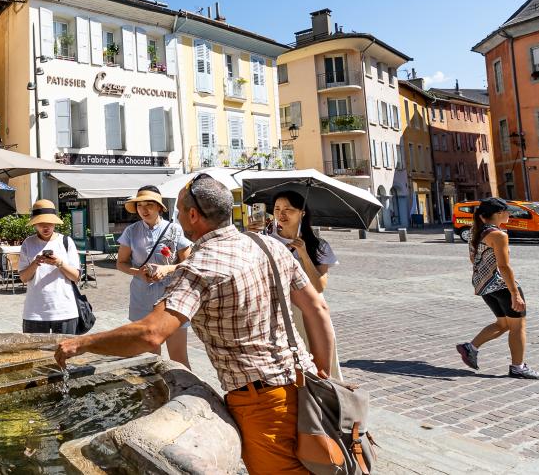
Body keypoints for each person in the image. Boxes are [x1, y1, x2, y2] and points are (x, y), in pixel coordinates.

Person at [55, 174, 335, 475]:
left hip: (261, 403)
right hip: (306, 382)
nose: (174, 216)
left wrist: (80, 343)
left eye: (177, 211)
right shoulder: (269, 246)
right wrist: (323, 373)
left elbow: (150, 334)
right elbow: (317, 307)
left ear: (192, 215)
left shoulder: (201, 266)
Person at [455, 198, 539, 379]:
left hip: (483, 284)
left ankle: (470, 348)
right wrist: (515, 293)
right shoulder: (498, 235)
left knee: (503, 324)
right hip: (501, 285)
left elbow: (473, 259)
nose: (509, 215)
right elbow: (504, 266)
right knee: (518, 326)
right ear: (497, 214)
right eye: (507, 212)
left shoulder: (476, 230)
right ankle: (518, 367)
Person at [264, 190, 343, 381]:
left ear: (302, 212)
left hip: (311, 312)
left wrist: (303, 253)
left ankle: (325, 402)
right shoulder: (266, 240)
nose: (281, 214)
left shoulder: (319, 245)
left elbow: (319, 286)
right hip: (277, 311)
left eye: (288, 209)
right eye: (277, 209)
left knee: (321, 367)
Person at [116, 186, 193, 365]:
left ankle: (185, 392)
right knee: (149, 359)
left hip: (172, 300)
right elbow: (121, 263)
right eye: (139, 205)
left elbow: (189, 264)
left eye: (149, 204)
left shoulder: (175, 230)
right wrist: (138, 273)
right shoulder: (131, 231)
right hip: (142, 298)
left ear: (159, 207)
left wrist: (167, 269)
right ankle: (155, 393)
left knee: (179, 358)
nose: (144, 209)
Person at [18, 199, 80, 334]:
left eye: (49, 223)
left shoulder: (66, 241)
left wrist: (59, 263)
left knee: (65, 353)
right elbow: (23, 278)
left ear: (54, 222)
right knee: (35, 354)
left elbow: (76, 276)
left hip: (64, 310)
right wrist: (35, 263)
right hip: (34, 311)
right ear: (35, 224)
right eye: (41, 223)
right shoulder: (28, 243)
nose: (45, 227)